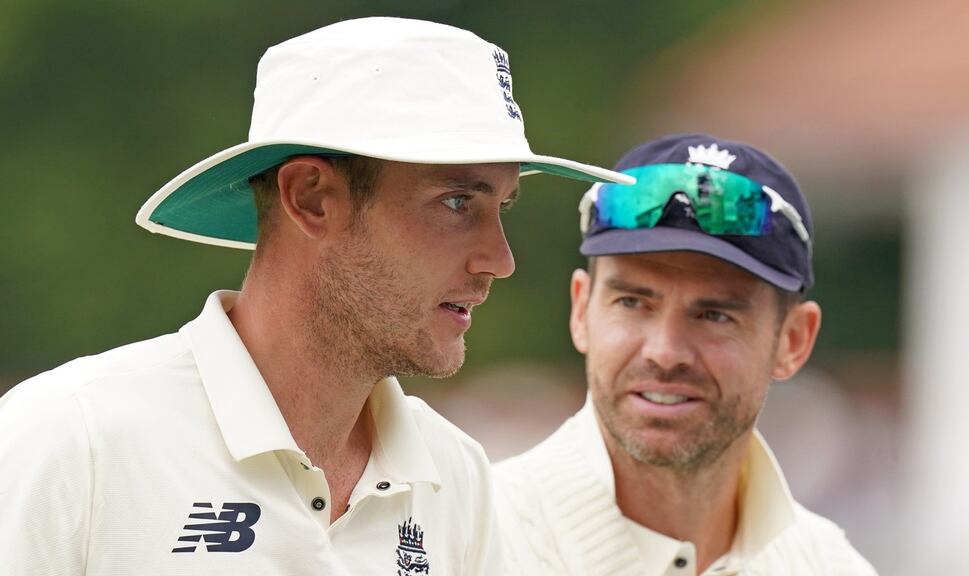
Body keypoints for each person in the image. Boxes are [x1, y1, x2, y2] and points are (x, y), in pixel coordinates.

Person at [0, 17, 630, 576]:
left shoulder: (456, 476)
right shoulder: (69, 442)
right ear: (311, 198)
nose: (500, 259)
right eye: (457, 203)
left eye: (502, 207)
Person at [495, 134, 878, 575]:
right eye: (633, 303)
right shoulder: (470, 541)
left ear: (793, 340)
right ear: (581, 310)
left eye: (714, 315)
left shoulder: (830, 567)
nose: (665, 351)